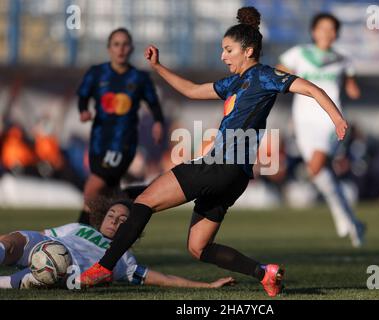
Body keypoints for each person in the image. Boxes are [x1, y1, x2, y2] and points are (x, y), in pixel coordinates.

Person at [80, 7, 348, 297]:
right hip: (235, 175)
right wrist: (159, 67)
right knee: (198, 247)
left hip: (221, 165)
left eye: (228, 49)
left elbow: (312, 89)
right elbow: (193, 91)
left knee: (144, 201)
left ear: (247, 51)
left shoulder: (266, 76)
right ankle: (265, 273)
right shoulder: (234, 82)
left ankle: (103, 268)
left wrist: (337, 119)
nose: (223, 56)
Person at [0, 198, 234, 290]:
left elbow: (164, 279)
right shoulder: (78, 228)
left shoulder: (124, 258)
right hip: (46, 246)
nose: (114, 220)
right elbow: (41, 235)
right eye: (111, 215)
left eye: (123, 220)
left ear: (131, 228)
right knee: (15, 240)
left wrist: (208, 287)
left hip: (64, 271)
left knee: (35, 279)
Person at [277, 13, 365, 247]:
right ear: (313, 31)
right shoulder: (299, 53)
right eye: (322, 28)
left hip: (330, 120)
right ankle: (352, 220)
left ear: (336, 33)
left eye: (331, 29)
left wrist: (354, 84)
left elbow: (353, 89)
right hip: (303, 122)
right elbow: (277, 73)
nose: (327, 32)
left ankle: (342, 216)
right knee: (319, 173)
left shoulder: (343, 60)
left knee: (315, 165)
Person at [77, 28, 165, 225]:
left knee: (93, 186)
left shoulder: (139, 78)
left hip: (122, 142)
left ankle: (79, 229)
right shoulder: (96, 73)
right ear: (109, 48)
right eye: (116, 44)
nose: (121, 49)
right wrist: (83, 110)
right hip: (99, 141)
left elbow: (153, 104)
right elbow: (83, 96)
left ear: (131, 48)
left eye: (125, 44)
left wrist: (158, 122)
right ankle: (116, 228)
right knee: (110, 191)